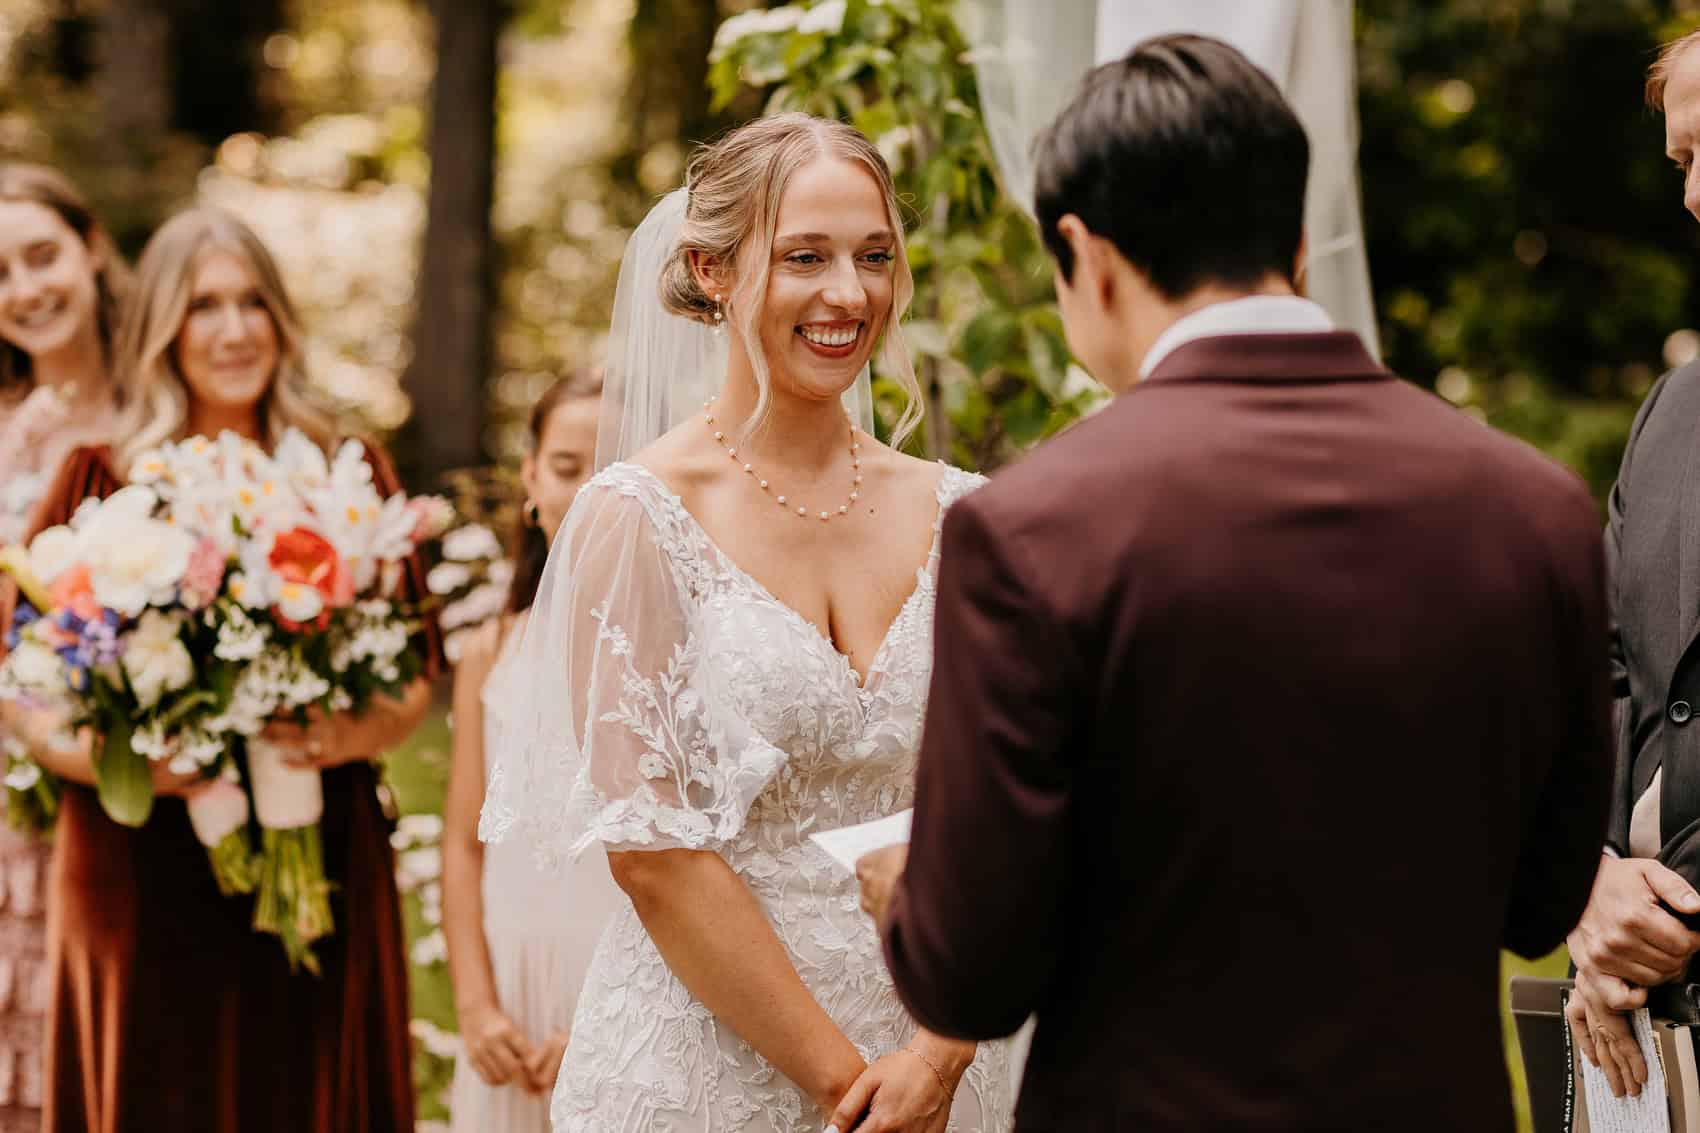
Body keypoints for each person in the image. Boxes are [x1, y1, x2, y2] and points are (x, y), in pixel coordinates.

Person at [855, 35, 1613, 1132]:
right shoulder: (1530, 507)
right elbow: (1542, 899)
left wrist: (903, 895)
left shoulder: (1031, 530)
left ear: (1084, 252)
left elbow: (970, 974)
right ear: (1297, 243)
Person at [479, 113, 1015, 1132]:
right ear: (712, 270)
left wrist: (937, 1060)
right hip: (703, 1070)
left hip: (937, 1053)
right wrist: (849, 1088)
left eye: (873, 257)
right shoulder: (636, 515)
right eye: (804, 256)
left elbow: (1017, 800)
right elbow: (651, 852)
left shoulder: (968, 514)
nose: (847, 295)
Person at [12, 205, 435, 1133]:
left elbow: (415, 674)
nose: (235, 330)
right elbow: (29, 692)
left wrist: (337, 734)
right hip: (140, 864)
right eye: (205, 306)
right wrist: (126, 765)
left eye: (253, 303)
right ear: (165, 324)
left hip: (318, 851)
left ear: (282, 318)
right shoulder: (96, 478)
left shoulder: (348, 469)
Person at [1566, 25, 1700, 1101]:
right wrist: (1595, 895)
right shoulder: (1670, 409)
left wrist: (1669, 916)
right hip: (1645, 1045)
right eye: (1680, 163)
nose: (1692, 196)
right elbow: (1610, 671)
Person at [443, 370, 627, 1132]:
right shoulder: (491, 651)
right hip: (512, 1006)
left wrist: (608, 1022)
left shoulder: (663, 650)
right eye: (565, 466)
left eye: (609, 465)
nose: (585, 490)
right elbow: (462, 842)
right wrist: (478, 1004)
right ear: (529, 478)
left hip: (619, 990)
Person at [0, 162, 131, 1133]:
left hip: (123, 782)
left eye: (41, 254)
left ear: (91, 247)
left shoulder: (154, 419)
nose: (24, 289)